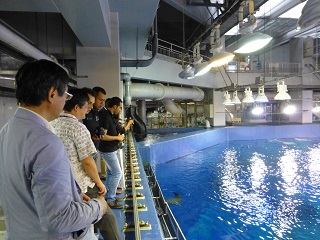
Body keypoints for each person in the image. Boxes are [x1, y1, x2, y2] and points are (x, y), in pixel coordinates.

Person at [0, 59, 107, 239]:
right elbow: (59, 219)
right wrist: (99, 207)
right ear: (51, 94)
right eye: (65, 94)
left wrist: (71, 197)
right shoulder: (46, 142)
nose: (66, 100)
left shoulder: (6, 132)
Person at [51, 88, 122, 240]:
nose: (87, 111)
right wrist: (99, 183)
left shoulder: (52, 124)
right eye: (85, 107)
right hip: (82, 185)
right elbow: (87, 161)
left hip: (62, 185)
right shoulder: (78, 127)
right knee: (109, 219)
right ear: (76, 107)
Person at [99, 97, 134, 208]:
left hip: (112, 149)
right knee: (117, 173)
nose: (120, 110)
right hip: (107, 150)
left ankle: (109, 195)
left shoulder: (110, 116)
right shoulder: (105, 116)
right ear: (115, 106)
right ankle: (110, 199)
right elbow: (102, 136)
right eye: (120, 107)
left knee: (111, 172)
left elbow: (119, 129)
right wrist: (117, 138)